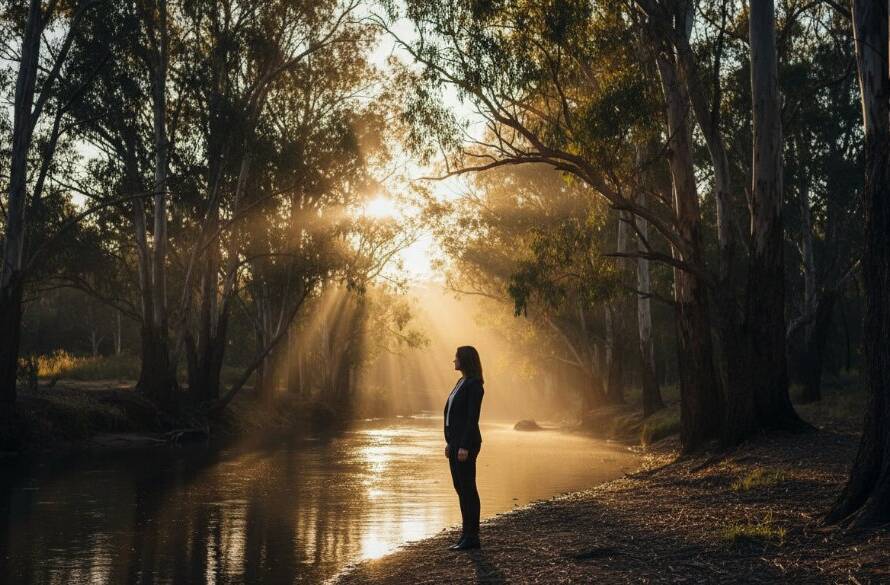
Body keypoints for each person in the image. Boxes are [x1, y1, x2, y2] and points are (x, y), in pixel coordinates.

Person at [443, 345, 485, 551]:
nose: (454, 360)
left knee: (468, 489)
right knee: (460, 488)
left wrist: (464, 446)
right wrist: (449, 442)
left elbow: (471, 418)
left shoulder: (475, 385)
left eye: (456, 357)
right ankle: (465, 534)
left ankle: (473, 537)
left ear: (465, 360)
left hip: (466, 445)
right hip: (456, 444)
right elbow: (451, 415)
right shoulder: (461, 382)